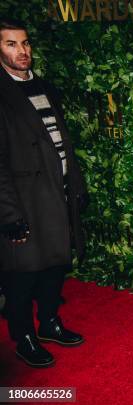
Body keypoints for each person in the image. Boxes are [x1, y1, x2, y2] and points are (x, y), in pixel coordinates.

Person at [0, 17, 88, 368]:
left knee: (55, 265)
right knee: (22, 275)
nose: (22, 51)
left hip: (57, 193)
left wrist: (76, 185)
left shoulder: (44, 87)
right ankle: (24, 337)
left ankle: (50, 322)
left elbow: (61, 142)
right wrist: (8, 216)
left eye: (25, 43)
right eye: (11, 44)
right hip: (25, 201)